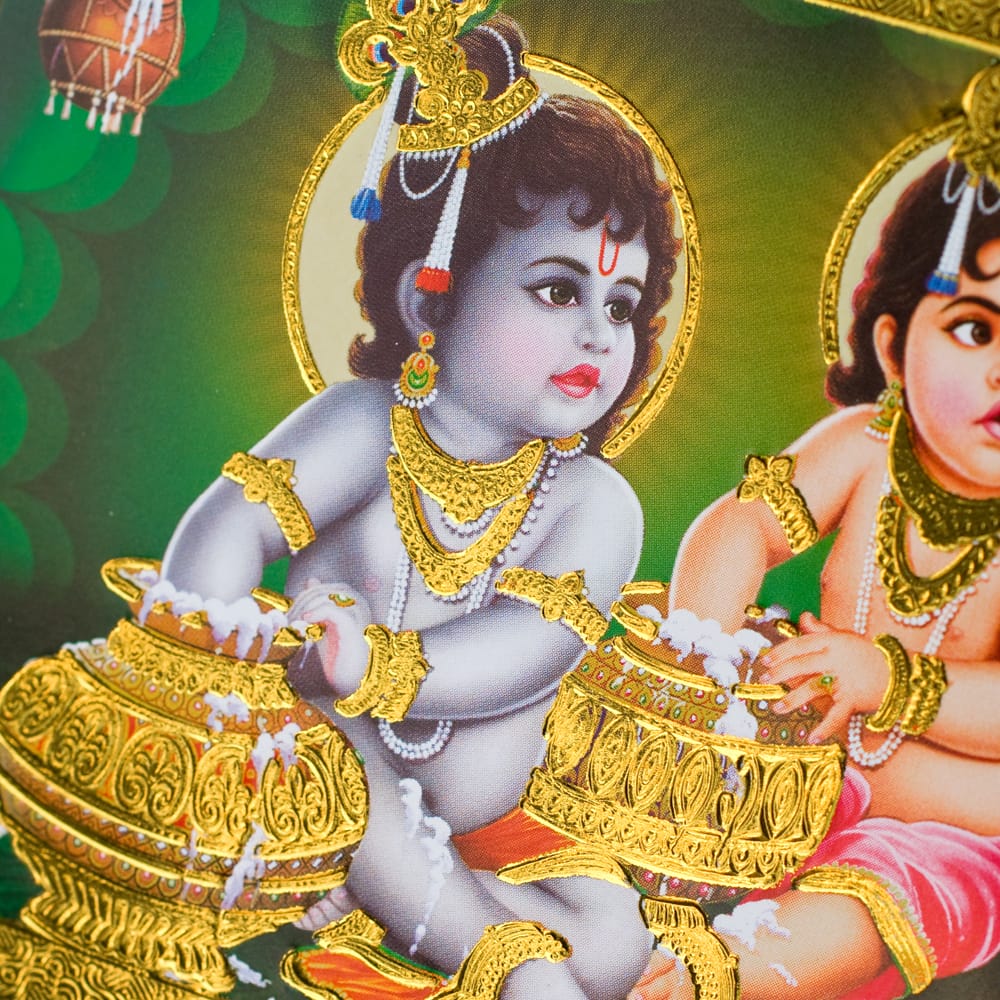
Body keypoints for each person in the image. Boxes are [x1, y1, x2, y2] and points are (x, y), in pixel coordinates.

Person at [159, 15, 684, 999]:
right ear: (430, 300)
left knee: (616, 947)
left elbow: (528, 647)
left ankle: (400, 922)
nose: (597, 334)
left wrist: (380, 665)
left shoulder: (595, 500)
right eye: (557, 290)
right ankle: (504, 966)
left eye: (621, 306)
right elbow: (225, 528)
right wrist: (212, 685)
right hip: (323, 765)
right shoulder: (364, 425)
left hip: (485, 829)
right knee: (339, 749)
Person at [637, 158, 1000, 999]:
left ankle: (713, 975)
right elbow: (743, 525)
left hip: (959, 825)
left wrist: (888, 679)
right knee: (652, 786)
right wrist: (706, 666)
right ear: (894, 348)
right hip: (812, 765)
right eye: (975, 330)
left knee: (869, 902)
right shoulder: (867, 447)